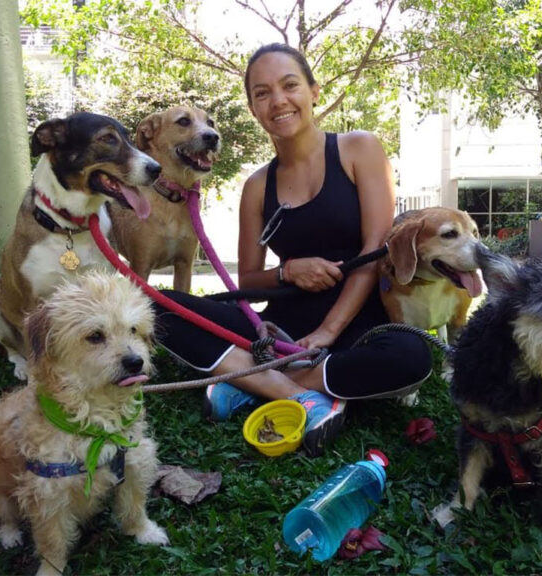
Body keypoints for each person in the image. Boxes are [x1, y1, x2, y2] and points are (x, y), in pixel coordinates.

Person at [151, 43, 433, 457]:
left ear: (313, 91)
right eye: (262, 93)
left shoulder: (359, 149)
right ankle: (299, 394)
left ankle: (251, 384)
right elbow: (248, 282)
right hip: (276, 333)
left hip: (355, 327)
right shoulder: (256, 186)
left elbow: (375, 251)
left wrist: (327, 333)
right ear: (252, 108)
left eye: (289, 85)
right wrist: (287, 272)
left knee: (411, 355)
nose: (278, 101)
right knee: (157, 304)